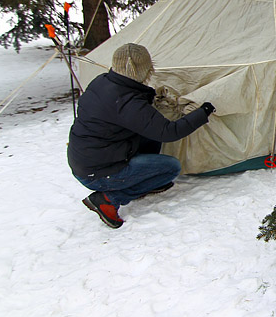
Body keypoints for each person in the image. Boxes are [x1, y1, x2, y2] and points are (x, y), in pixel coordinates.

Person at [67, 43, 215, 229]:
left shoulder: (103, 81)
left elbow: (146, 123)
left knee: (152, 134)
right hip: (98, 173)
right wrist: (203, 112)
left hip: (87, 158)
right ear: (144, 69)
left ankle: (143, 178)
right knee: (171, 168)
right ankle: (108, 199)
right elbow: (170, 132)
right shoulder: (127, 103)